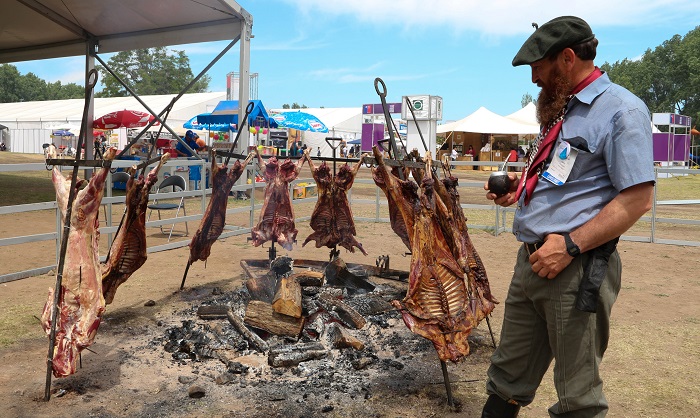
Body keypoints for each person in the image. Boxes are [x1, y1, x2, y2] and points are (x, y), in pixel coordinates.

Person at [481, 16, 654, 417]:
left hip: (575, 266)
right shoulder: (563, 109)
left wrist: (570, 244)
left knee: (578, 398)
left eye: (537, 68)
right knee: (507, 378)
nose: (534, 78)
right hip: (532, 263)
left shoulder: (622, 110)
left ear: (568, 58)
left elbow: (638, 198)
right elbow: (565, 178)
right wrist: (520, 187)